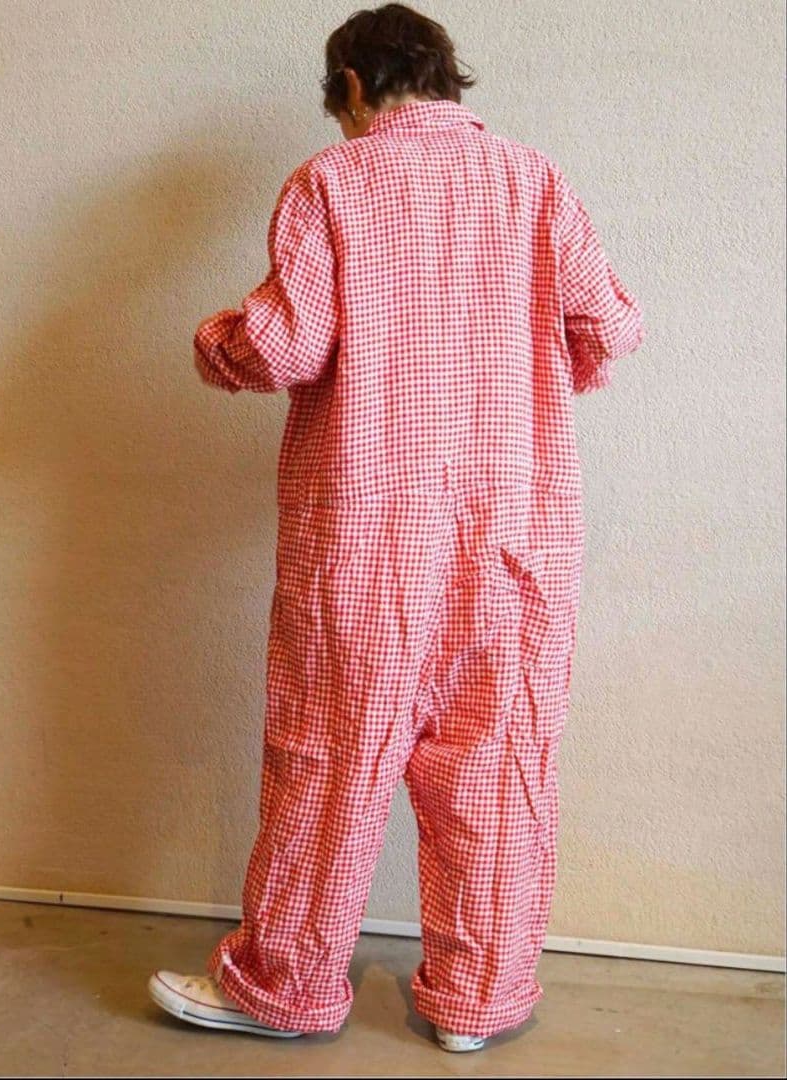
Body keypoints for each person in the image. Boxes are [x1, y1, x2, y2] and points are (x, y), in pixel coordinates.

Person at [148, 1, 645, 1054]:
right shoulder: (533, 181)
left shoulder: (332, 183)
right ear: (446, 79)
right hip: (515, 535)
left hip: (366, 540)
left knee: (330, 755)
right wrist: (519, 370)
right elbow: (607, 327)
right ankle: (477, 1001)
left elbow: (284, 348)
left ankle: (282, 989)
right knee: (495, 762)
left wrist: (211, 341)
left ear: (351, 86)